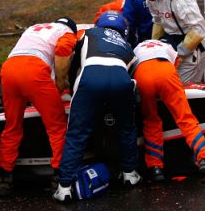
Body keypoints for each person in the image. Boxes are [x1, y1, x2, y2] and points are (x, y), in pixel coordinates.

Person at [53, 11, 140, 203]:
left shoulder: (87, 33)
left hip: (90, 76)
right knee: (126, 128)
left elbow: (74, 63)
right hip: (121, 78)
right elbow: (132, 71)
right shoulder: (127, 46)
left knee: (77, 133)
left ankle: (64, 187)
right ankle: (129, 174)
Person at [0, 17, 78, 197]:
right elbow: (63, 50)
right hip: (34, 71)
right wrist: (59, 83)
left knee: (12, 127)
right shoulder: (66, 33)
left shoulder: (34, 28)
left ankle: (4, 177)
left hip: (9, 70)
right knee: (56, 127)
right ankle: (60, 176)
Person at [132, 39, 205, 184]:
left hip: (142, 73)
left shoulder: (137, 48)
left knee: (151, 121)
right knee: (185, 119)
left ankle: (155, 168)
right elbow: (176, 66)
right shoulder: (167, 46)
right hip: (166, 71)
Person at [126, 0, 205, 82]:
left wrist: (177, 54)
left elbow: (199, 30)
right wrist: (155, 48)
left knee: (182, 89)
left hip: (192, 51)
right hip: (173, 45)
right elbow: (158, 22)